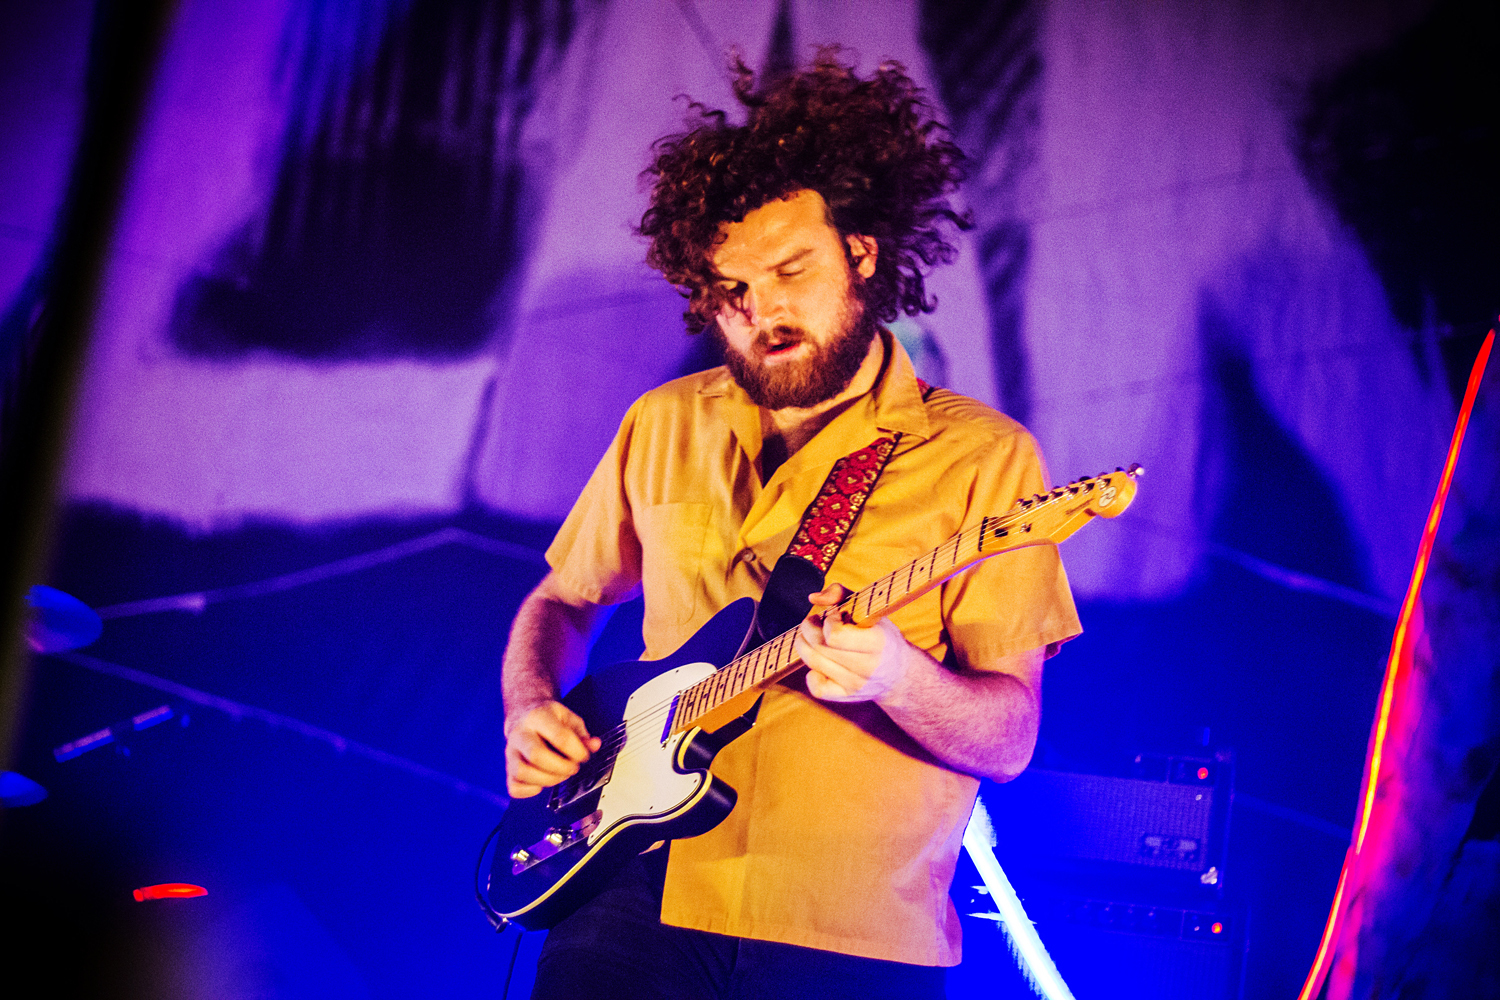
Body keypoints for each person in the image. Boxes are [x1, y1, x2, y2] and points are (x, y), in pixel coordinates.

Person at [501, 49, 1081, 1000]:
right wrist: (532, 703)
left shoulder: (986, 458)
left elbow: (1009, 739)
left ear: (861, 252)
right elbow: (563, 598)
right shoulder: (664, 421)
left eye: (789, 269)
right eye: (731, 288)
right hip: (624, 899)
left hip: (852, 937)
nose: (760, 311)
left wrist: (900, 675)